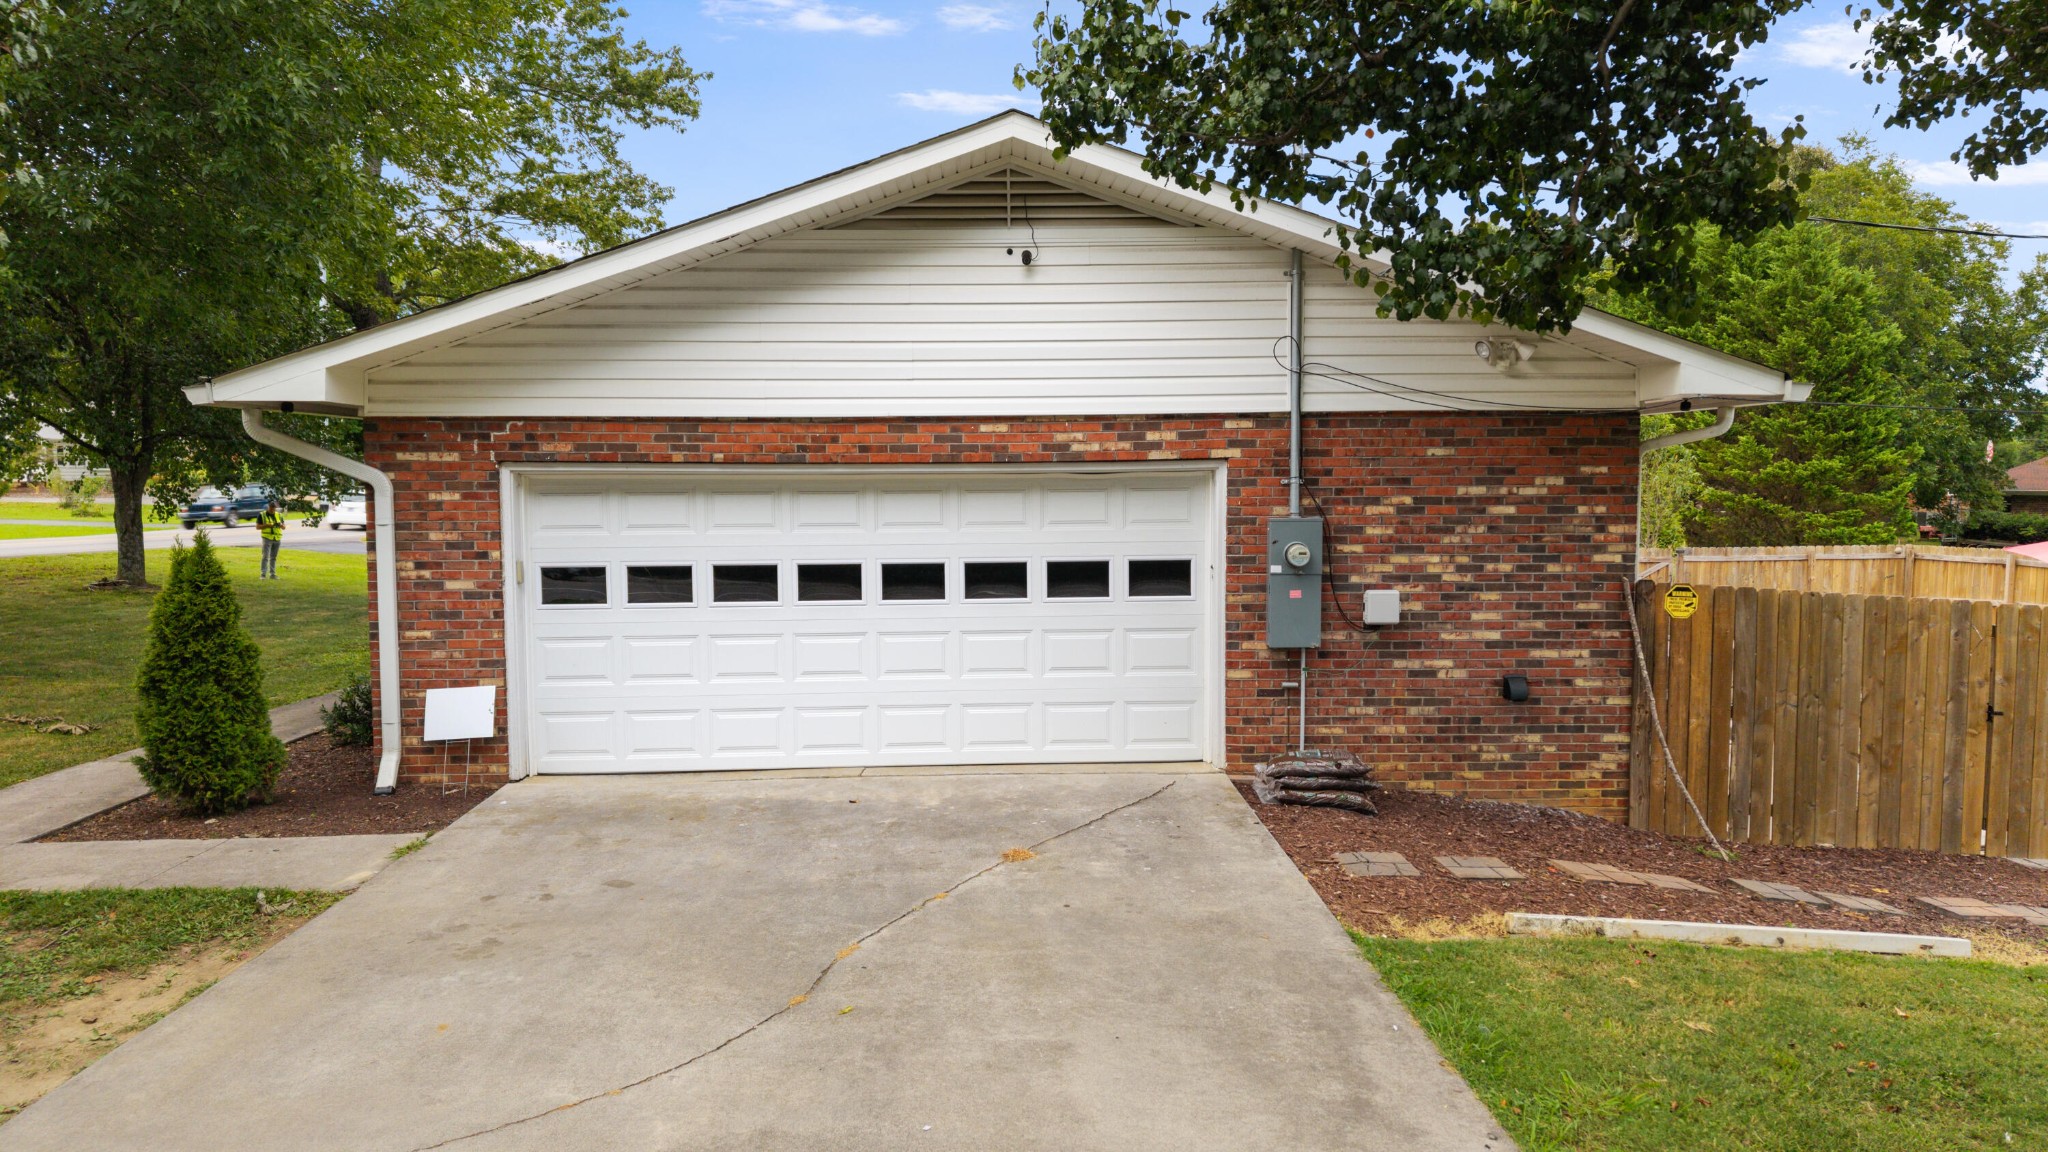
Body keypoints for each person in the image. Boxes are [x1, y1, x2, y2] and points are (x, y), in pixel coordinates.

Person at [258, 498, 286, 579]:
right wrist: (267, 525)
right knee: (265, 557)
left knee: (273, 557)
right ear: (268, 506)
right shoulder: (262, 515)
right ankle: (263, 575)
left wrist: (281, 525)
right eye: (271, 507)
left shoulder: (279, 515)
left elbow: (284, 527)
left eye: (274, 507)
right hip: (267, 538)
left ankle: (272, 574)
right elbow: (257, 527)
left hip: (277, 538)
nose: (273, 509)